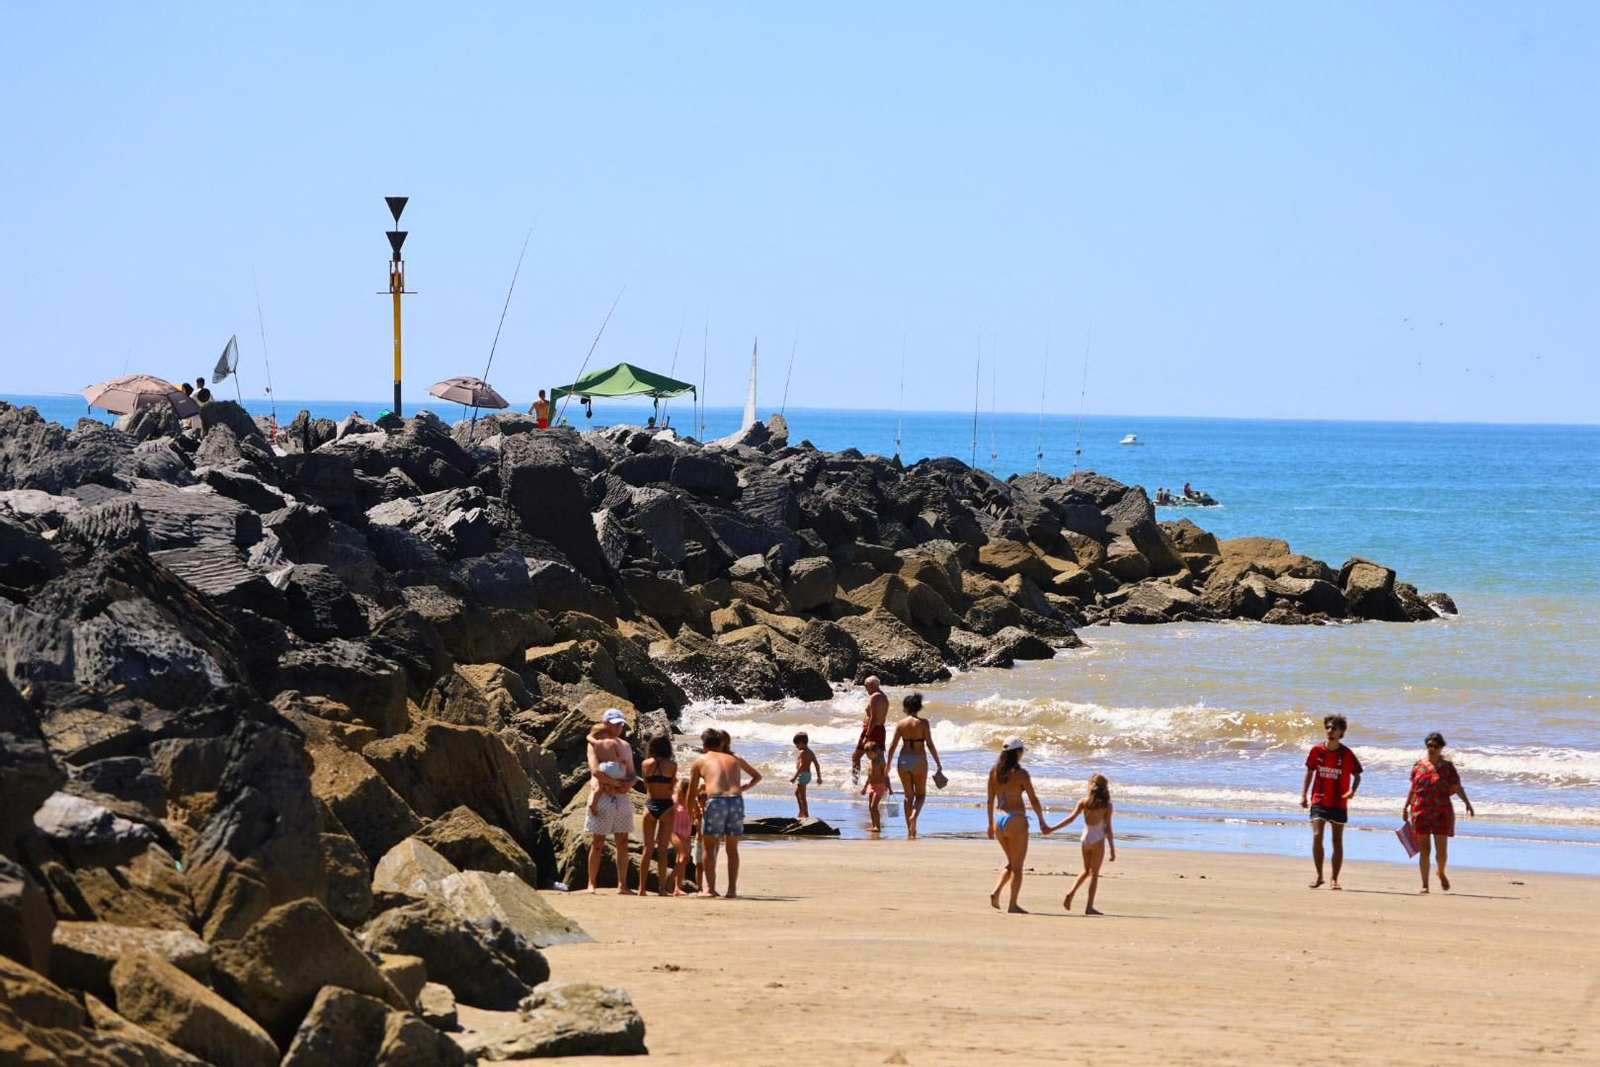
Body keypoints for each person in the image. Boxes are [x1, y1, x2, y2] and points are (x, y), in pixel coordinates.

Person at [686, 727, 762, 898]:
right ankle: (732, 890)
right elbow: (756, 776)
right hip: (736, 801)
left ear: (704, 745)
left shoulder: (700, 760)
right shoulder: (733, 759)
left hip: (716, 801)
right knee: (732, 849)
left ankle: (710, 889)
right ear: (720, 743)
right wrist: (744, 788)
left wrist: (689, 811)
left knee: (709, 846)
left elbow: (691, 793)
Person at [1404, 731, 1475, 893]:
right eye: (1429, 746)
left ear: (1441, 747)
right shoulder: (1418, 766)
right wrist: (1405, 807)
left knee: (1441, 851)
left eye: (1435, 746)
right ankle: (1425, 885)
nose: (1432, 749)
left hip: (1442, 812)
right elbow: (1413, 788)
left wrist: (1467, 803)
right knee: (1425, 850)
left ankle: (1441, 871)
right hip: (1420, 810)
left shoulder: (1448, 767)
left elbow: (1457, 787)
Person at [986, 737, 1050, 914]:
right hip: (1016, 820)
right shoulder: (1021, 774)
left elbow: (990, 800)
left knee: (1012, 863)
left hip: (999, 820)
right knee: (1018, 867)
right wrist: (1042, 821)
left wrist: (989, 824)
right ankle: (1013, 904)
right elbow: (1033, 799)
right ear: (1017, 752)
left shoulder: (994, 772)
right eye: (1021, 751)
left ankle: (996, 892)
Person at [1299, 714, 1363, 890]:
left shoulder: (1347, 754)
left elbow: (1358, 775)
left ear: (1341, 732)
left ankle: (1334, 879)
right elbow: (1310, 772)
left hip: (1338, 802)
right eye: (1327, 727)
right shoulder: (1316, 750)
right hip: (1319, 799)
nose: (1330, 731)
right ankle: (1319, 875)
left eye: (1334, 728)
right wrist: (1304, 795)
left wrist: (1352, 791)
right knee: (1317, 835)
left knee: (1337, 840)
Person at [1047, 774, 1117, 915]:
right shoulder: (1107, 806)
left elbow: (1070, 819)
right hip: (1098, 840)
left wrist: (1052, 828)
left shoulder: (1084, 802)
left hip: (1085, 839)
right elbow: (1108, 829)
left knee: (1086, 870)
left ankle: (1071, 893)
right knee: (1094, 873)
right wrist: (1112, 848)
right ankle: (1089, 907)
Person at [584, 708, 636, 895]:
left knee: (622, 842)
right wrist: (614, 783)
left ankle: (622, 884)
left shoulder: (625, 746)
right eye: (615, 723)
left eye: (621, 723)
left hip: (620, 797)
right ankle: (592, 883)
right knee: (598, 842)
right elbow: (596, 771)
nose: (619, 726)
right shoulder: (595, 744)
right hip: (603, 795)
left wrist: (625, 786)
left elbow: (631, 773)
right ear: (605, 723)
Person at [885, 693, 942, 839]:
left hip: (903, 761)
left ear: (906, 707)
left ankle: (910, 830)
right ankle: (914, 818)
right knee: (921, 795)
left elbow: (892, 746)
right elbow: (929, 744)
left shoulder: (901, 723)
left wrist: (888, 764)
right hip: (919, 760)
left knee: (908, 797)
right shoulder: (923, 723)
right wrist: (938, 763)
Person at [638, 734, 678, 897]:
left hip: (651, 804)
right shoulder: (672, 765)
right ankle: (662, 889)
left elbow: (647, 786)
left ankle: (641, 889)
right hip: (666, 806)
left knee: (647, 849)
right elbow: (671, 786)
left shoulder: (645, 764)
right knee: (662, 850)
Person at [850, 676, 891, 783]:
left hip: (872, 730)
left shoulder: (874, 697)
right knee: (880, 758)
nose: (865, 688)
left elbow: (873, 718)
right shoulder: (883, 696)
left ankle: (855, 783)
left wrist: (867, 736)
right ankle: (884, 784)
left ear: (872, 685)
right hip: (880, 729)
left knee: (856, 756)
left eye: (866, 685)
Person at [669, 778, 694, 896]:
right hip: (674, 831)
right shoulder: (674, 801)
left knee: (683, 860)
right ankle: (668, 882)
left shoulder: (690, 802)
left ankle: (677, 888)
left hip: (687, 833)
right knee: (683, 857)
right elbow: (666, 818)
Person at [859, 741, 891, 833]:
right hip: (871, 786)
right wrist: (865, 788)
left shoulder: (880, 762)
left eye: (869, 753)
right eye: (866, 754)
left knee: (874, 806)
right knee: (870, 807)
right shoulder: (870, 763)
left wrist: (889, 787)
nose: (868, 755)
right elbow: (869, 777)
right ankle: (874, 825)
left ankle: (878, 826)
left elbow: (885, 775)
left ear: (876, 752)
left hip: (880, 786)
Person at [790, 732, 822, 818]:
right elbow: (817, 764)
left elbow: (802, 766)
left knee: (802, 796)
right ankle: (801, 811)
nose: (796, 746)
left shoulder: (802, 752)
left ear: (801, 743)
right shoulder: (810, 752)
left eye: (797, 744)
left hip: (802, 775)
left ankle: (806, 814)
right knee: (797, 793)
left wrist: (794, 777)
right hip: (808, 775)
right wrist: (819, 777)